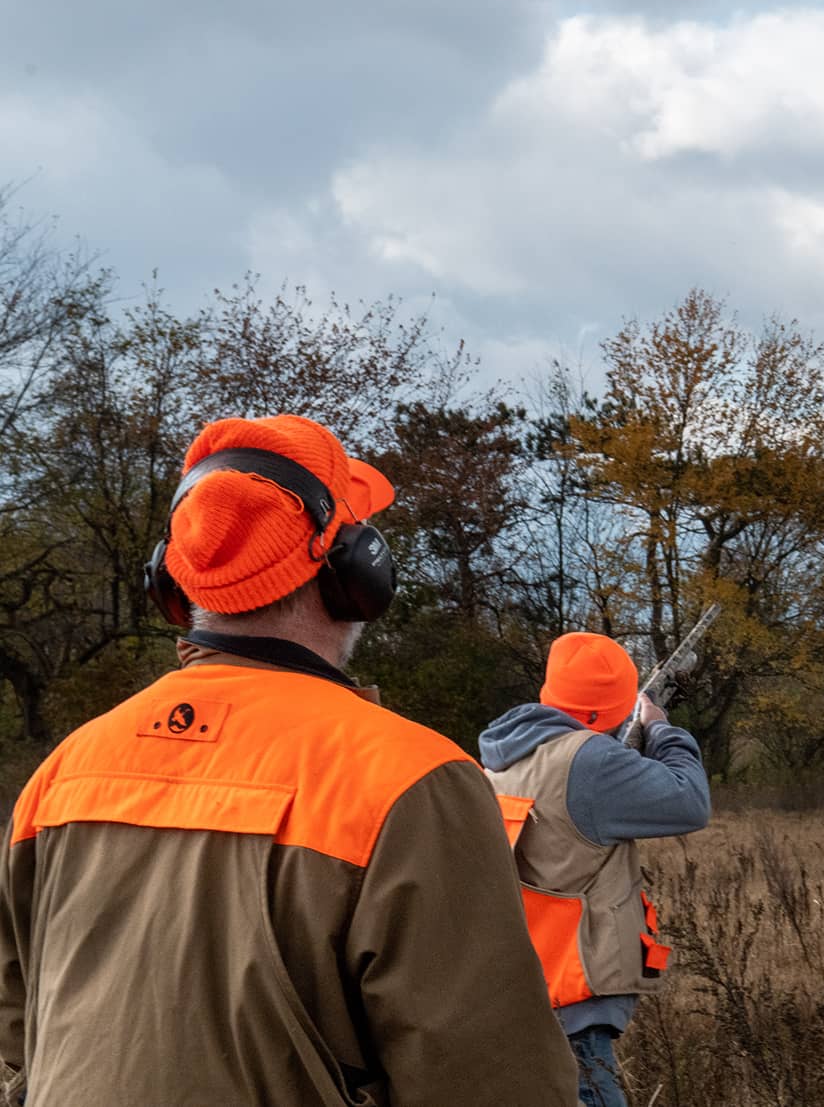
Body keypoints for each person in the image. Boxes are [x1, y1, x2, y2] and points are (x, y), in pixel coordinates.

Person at [0, 414, 577, 1106]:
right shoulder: (410, 779)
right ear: (355, 573)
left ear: (176, 582)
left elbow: (20, 1031)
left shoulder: (63, 773)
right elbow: (492, 1082)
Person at [480, 631, 712, 1107]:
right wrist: (662, 728)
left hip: (524, 984)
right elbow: (690, 801)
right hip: (574, 994)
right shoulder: (589, 763)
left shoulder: (506, 755)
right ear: (613, 708)